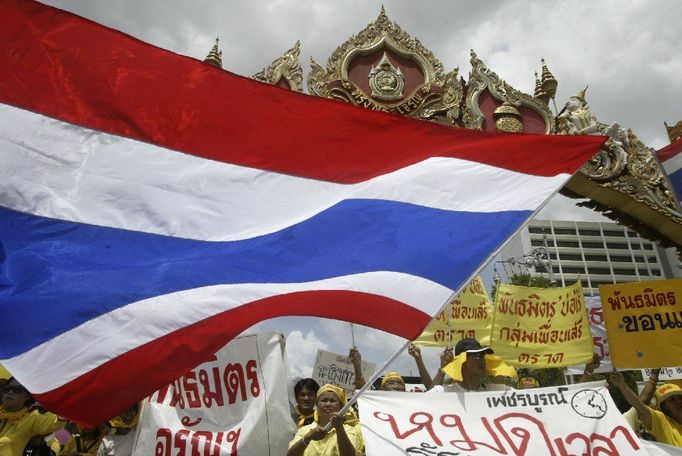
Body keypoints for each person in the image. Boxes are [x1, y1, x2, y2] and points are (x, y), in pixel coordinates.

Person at [610, 371, 682, 447]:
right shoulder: (661, 421)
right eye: (672, 399)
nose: (678, 401)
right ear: (664, 407)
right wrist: (622, 385)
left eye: (680, 397)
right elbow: (639, 406)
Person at [287, 384, 362, 456]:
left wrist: (339, 429)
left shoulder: (349, 431)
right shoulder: (304, 431)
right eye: (324, 400)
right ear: (317, 404)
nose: (328, 404)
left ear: (341, 406)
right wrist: (308, 438)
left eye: (332, 401)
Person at [0, 378, 64, 456]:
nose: (10, 392)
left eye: (17, 390)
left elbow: (56, 423)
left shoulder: (32, 418)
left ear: (27, 396)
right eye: (7, 388)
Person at [430, 338, 515, 392]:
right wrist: (442, 369)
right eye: (476, 356)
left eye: (483, 355)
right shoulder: (447, 392)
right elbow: (427, 400)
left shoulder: (494, 391)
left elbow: (525, 397)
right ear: (462, 361)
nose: (482, 360)